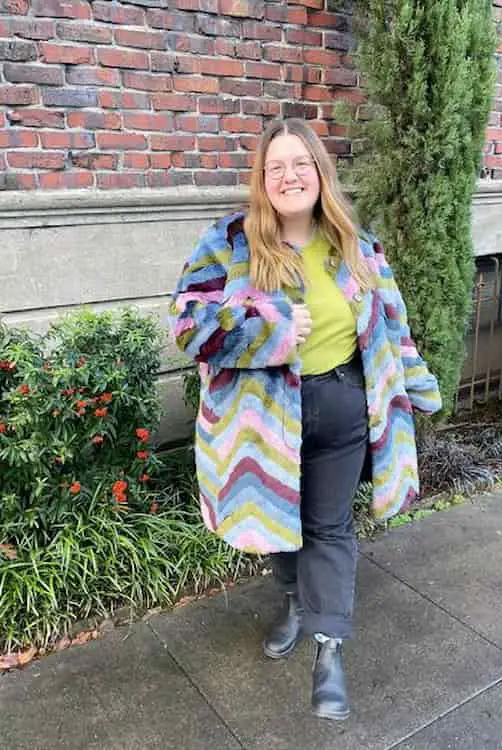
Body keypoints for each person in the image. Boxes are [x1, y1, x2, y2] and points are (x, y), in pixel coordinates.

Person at [169, 118, 442, 721]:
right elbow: (187, 326)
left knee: (329, 526)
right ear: (262, 181)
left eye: (301, 164)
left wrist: (419, 388)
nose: (290, 176)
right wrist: (272, 332)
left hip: (343, 407)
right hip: (263, 422)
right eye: (277, 167)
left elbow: (392, 325)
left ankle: (329, 651)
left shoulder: (356, 244)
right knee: (278, 522)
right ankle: (294, 599)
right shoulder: (229, 243)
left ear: (320, 172)